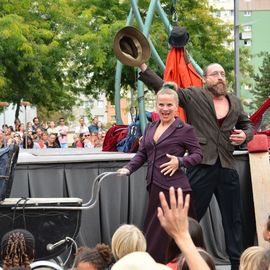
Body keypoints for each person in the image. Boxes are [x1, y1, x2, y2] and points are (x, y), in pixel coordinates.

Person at [138, 63, 254, 269]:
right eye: (215, 74)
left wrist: (245, 135)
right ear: (204, 79)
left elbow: (247, 125)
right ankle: (172, 262)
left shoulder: (235, 102)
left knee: (234, 221)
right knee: (185, 217)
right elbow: (165, 88)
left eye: (222, 74)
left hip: (227, 166)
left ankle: (238, 266)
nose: (220, 77)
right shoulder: (194, 95)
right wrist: (143, 67)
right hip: (201, 166)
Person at [117, 84, 202, 263]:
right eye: (161, 105)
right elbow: (142, 153)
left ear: (176, 106)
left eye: (169, 105)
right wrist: (129, 168)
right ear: (156, 106)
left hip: (175, 191)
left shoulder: (185, 129)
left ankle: (186, 264)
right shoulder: (149, 127)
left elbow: (198, 155)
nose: (165, 109)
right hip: (155, 186)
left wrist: (180, 161)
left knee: (171, 233)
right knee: (157, 231)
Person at [157, 187, 211, 270]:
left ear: (172, 243)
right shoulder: (206, 261)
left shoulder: (170, 267)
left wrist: (180, 235)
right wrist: (182, 235)